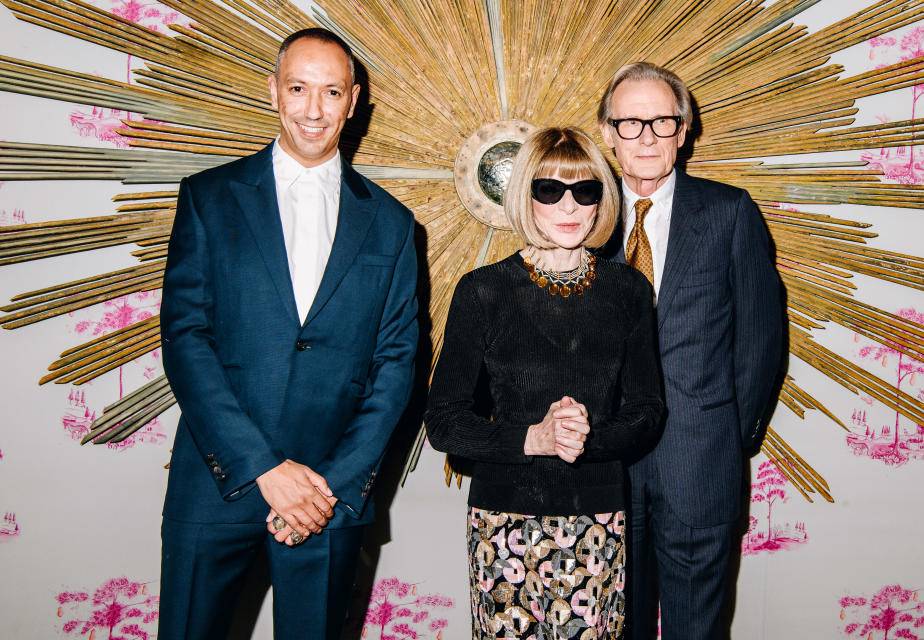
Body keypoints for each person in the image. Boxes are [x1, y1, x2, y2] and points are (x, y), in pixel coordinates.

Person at [157, 28, 418, 640]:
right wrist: (265, 470)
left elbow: (397, 364)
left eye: (331, 92)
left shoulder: (394, 224)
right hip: (217, 486)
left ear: (354, 103)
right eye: (299, 88)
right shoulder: (208, 198)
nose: (313, 109)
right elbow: (186, 339)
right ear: (274, 90)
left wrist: (329, 486)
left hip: (329, 498)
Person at [425, 127, 664, 639]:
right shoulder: (483, 291)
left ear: (602, 198)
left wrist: (587, 439)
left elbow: (648, 410)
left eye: (586, 190)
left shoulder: (627, 291)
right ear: (524, 197)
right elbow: (443, 422)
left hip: (598, 517)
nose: (569, 205)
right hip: (504, 518)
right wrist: (532, 438)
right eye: (549, 190)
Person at [597, 62, 783, 640]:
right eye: (630, 123)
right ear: (606, 133)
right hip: (601, 468)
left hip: (700, 465)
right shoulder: (577, 217)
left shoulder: (730, 213)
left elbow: (761, 341)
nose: (647, 136)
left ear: (684, 130)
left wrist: (729, 434)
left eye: (662, 121)